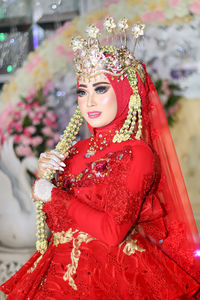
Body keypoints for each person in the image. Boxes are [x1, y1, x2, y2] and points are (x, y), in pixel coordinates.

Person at [0, 18, 200, 299]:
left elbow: (112, 231)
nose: (89, 102)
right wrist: (42, 180)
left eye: (101, 89)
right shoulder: (77, 149)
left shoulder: (137, 153)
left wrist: (54, 195)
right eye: (82, 91)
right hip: (57, 276)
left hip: (113, 277)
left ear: (124, 92)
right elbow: (55, 223)